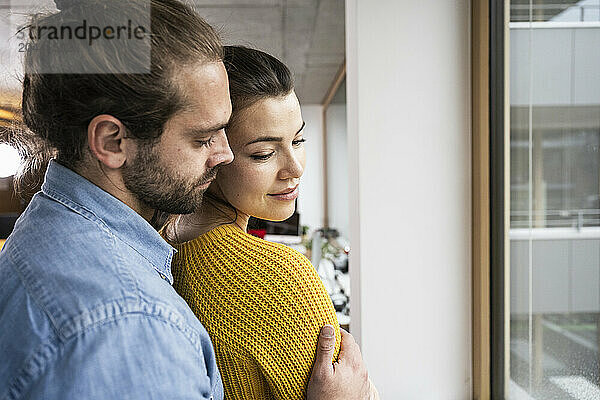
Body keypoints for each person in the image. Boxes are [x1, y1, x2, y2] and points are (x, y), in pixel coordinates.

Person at [0, 1, 371, 399]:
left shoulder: (43, 231)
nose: (223, 154)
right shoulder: (131, 325)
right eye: (203, 138)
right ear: (112, 141)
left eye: (299, 139)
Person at [163, 46, 378, 400]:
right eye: (263, 153)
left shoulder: (159, 250)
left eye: (298, 140)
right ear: (211, 154)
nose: (295, 169)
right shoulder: (280, 280)